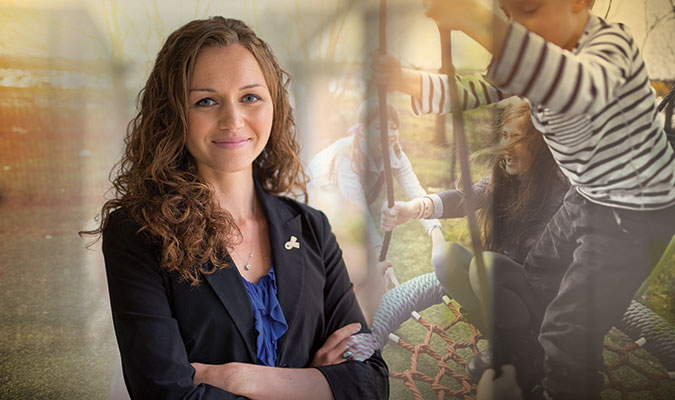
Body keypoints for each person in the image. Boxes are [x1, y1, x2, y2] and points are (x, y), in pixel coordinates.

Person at [375, 0, 675, 398]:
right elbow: (474, 89)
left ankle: (560, 379)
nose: (516, 26)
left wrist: (474, 19)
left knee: (569, 332)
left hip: (634, 213)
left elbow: (573, 86)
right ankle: (523, 351)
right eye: (508, 15)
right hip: (588, 196)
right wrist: (405, 80)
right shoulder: (534, 60)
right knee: (538, 271)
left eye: (529, 8)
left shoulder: (610, 47)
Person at [84, 17, 388, 399]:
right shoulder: (137, 233)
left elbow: (371, 380)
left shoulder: (312, 228)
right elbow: (168, 395)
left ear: (274, 104)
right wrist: (316, 384)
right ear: (173, 114)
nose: (233, 120)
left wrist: (242, 380)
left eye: (250, 97)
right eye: (206, 101)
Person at [381, 101, 568, 392]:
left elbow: (546, 268)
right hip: (508, 289)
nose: (505, 145)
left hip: (545, 303)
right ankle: (503, 343)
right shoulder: (506, 179)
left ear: (543, 145)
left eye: (516, 138)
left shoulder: (560, 193)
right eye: (504, 135)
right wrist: (414, 208)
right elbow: (465, 197)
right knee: (447, 257)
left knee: (488, 267)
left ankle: (528, 352)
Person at [308, 100, 444, 292]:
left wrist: (436, 236)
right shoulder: (348, 157)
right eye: (381, 128)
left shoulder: (395, 154)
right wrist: (379, 257)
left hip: (343, 208)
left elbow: (416, 192)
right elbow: (359, 213)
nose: (390, 134)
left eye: (394, 128)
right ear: (363, 130)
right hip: (316, 197)